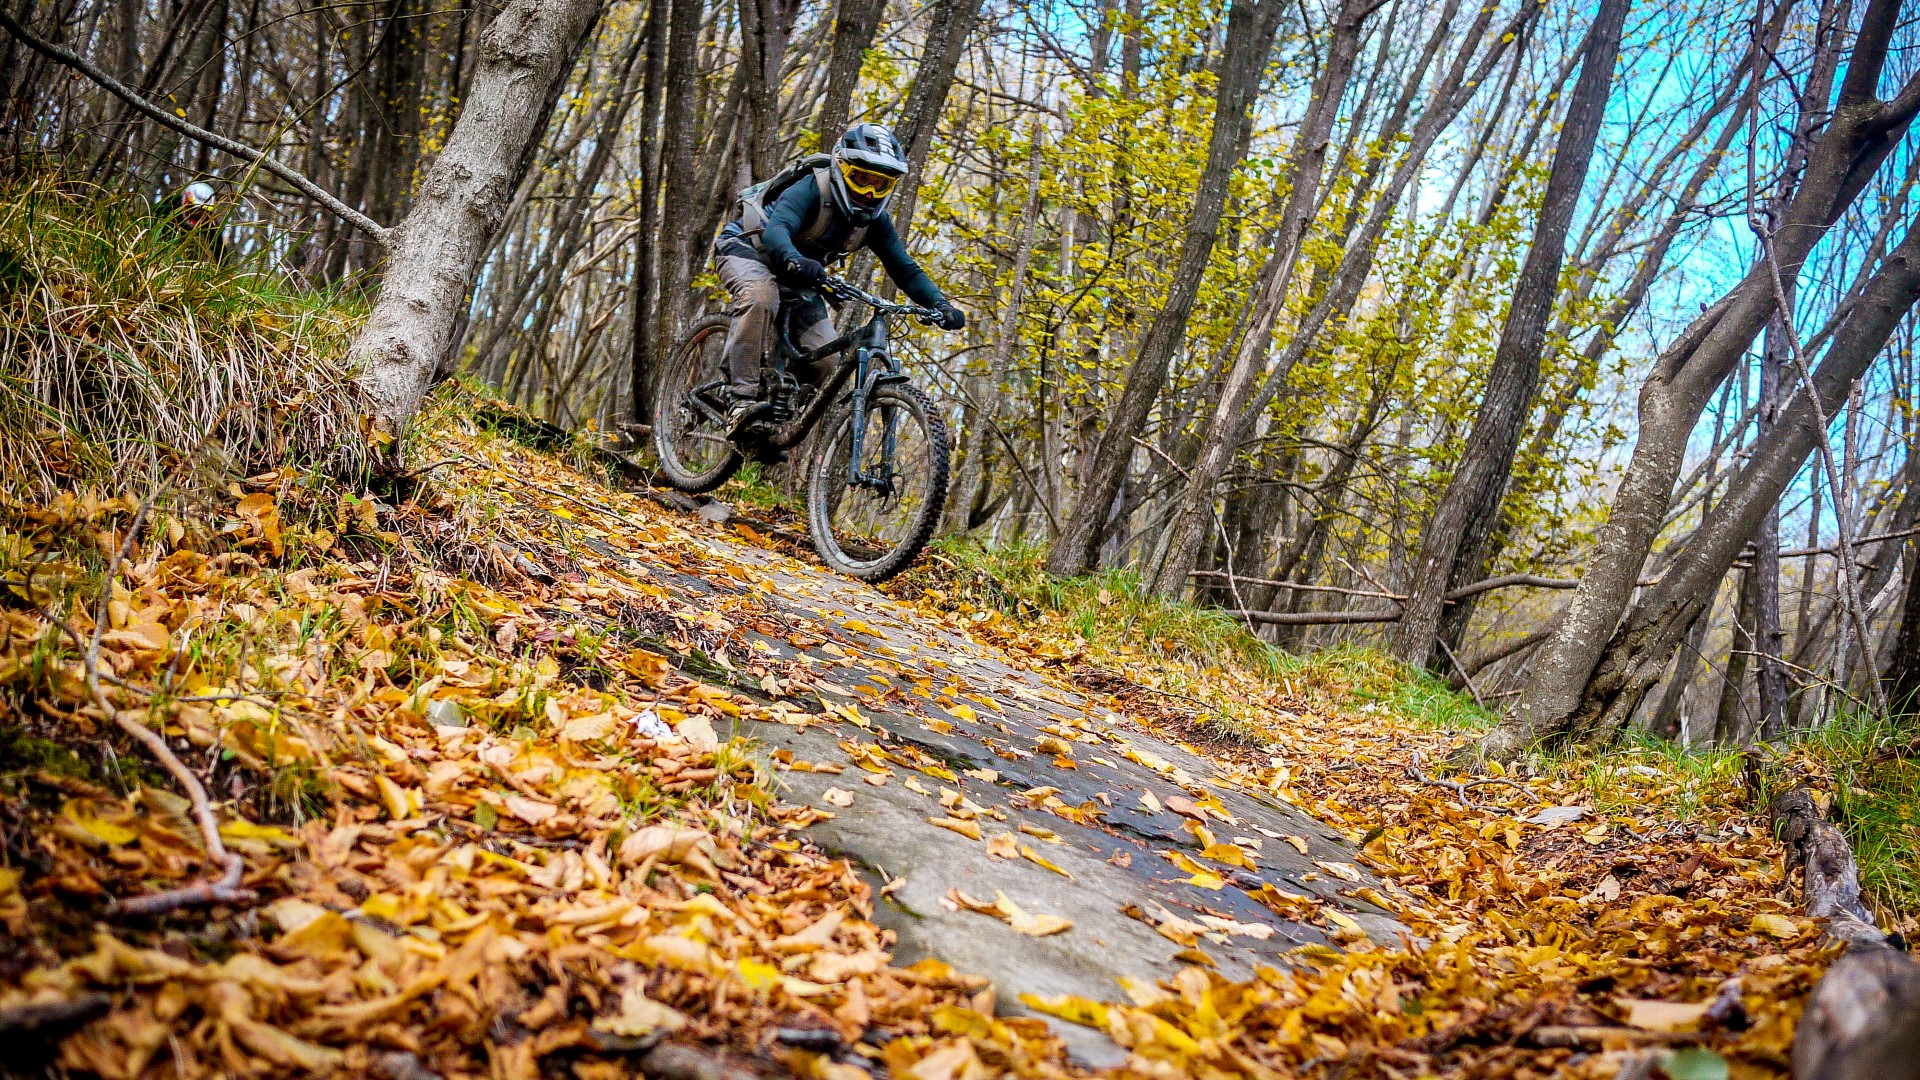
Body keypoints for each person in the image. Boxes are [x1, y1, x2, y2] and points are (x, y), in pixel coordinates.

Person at [712, 123, 965, 436]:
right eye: (862, 180)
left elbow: (905, 270)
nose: (869, 194)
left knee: (825, 361)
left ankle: (772, 418)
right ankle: (739, 399)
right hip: (748, 248)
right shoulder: (811, 188)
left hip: (800, 273)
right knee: (761, 297)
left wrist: (939, 303)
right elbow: (777, 230)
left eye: (880, 185)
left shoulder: (875, 222)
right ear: (842, 169)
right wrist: (794, 260)